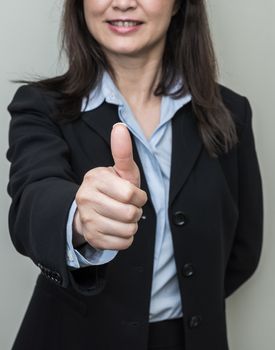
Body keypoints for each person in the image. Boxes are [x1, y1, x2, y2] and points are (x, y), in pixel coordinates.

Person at [7, 1, 263, 349]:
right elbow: (33, 199)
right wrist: (80, 222)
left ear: (178, 6)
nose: (124, 2)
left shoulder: (231, 113)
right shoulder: (40, 106)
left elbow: (242, 251)